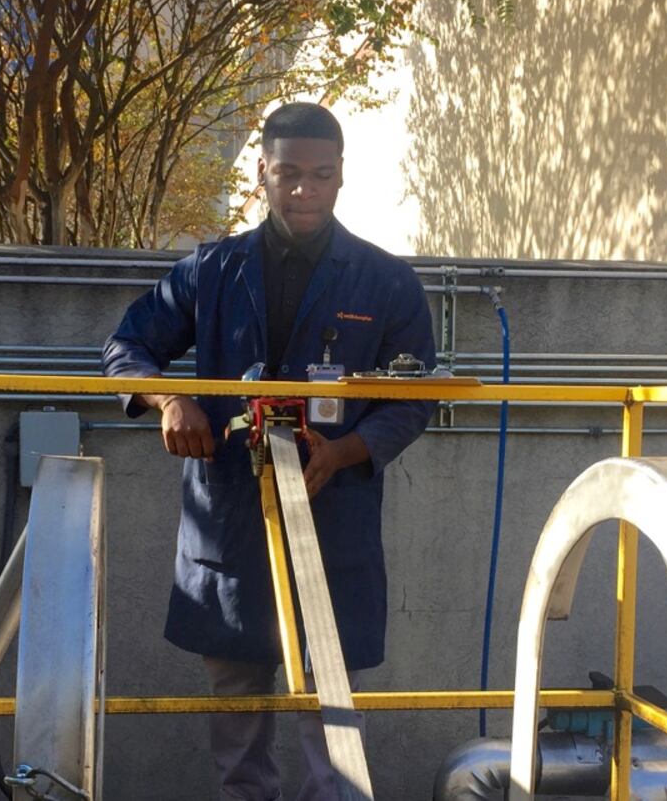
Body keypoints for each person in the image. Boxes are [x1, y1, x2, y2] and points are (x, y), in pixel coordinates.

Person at [102, 102, 435, 800]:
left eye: (319, 175)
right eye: (287, 173)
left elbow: (414, 394)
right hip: (230, 521)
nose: (303, 190)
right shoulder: (211, 269)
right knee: (239, 722)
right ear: (262, 173)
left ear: (342, 177)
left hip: (332, 515)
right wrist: (170, 400)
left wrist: (345, 452)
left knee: (332, 721)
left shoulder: (385, 281)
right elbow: (126, 348)